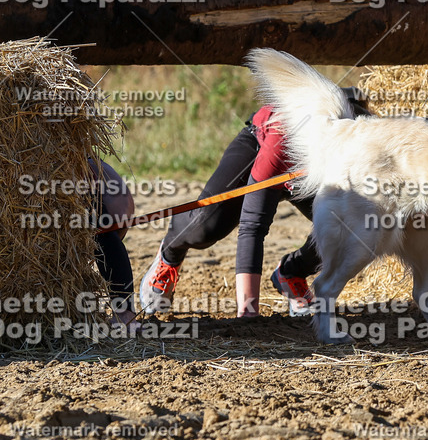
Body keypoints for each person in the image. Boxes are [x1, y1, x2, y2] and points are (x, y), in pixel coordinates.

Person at [139, 90, 370, 318]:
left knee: (348, 226)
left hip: (308, 173)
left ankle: (292, 273)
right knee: (207, 226)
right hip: (260, 147)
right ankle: (170, 253)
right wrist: (248, 312)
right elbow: (252, 225)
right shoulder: (283, 139)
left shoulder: (365, 145)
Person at [90, 158, 137, 325]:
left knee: (101, 231)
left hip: (110, 203)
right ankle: (125, 312)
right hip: (111, 199)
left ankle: (125, 313)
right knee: (101, 231)